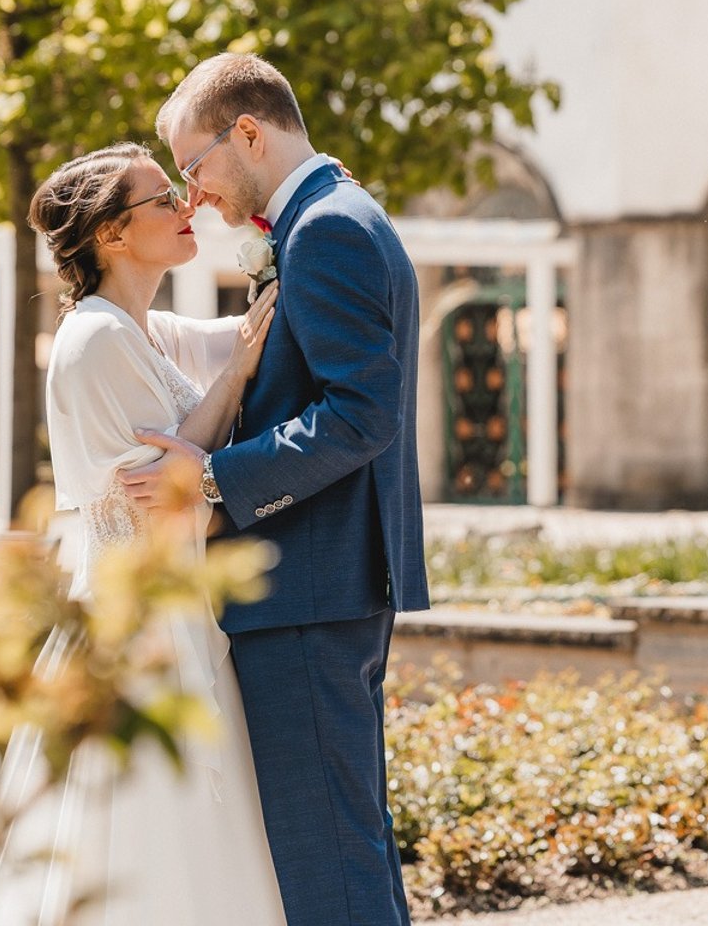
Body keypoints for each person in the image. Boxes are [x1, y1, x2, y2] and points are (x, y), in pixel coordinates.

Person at [119, 52, 429, 926]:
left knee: (327, 854)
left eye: (196, 165)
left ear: (247, 132)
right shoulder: (333, 217)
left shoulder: (325, 228)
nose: (194, 194)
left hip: (307, 583)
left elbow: (362, 415)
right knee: (347, 837)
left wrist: (214, 476)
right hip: (331, 580)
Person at [0, 142, 285, 926]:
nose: (185, 208)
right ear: (111, 235)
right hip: (135, 616)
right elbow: (165, 485)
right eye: (163, 200)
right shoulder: (97, 339)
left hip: (169, 601)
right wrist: (232, 379)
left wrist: (278, 247)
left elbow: (245, 337)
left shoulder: (138, 327)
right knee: (144, 813)